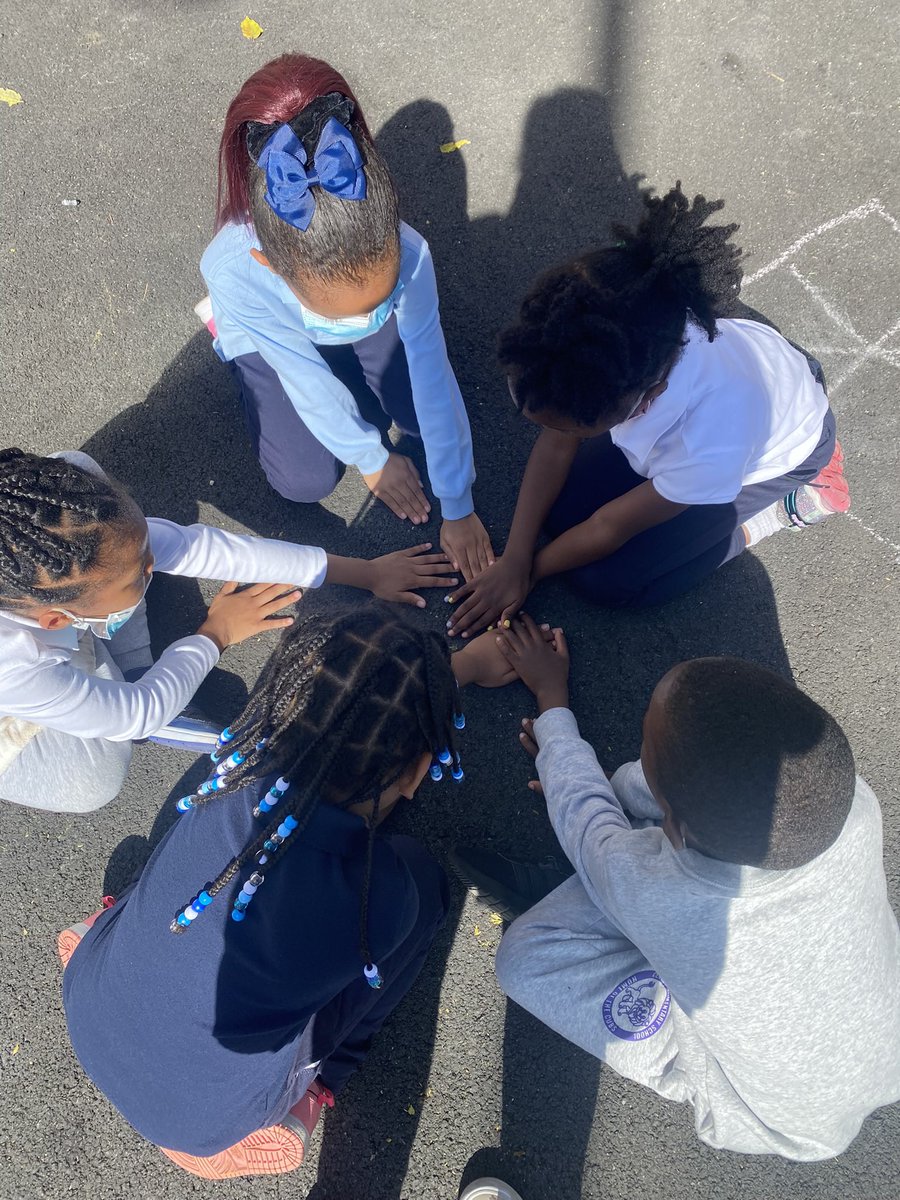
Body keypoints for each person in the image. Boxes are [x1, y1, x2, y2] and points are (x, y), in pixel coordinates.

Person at [61, 604, 525, 1180]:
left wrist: (460, 669)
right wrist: (459, 672)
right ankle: (316, 1088)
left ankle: (105, 939)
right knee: (426, 886)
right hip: (199, 1126)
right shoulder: (388, 897)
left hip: (87, 1003)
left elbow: (349, 701)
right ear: (417, 773)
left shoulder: (233, 775)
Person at [453, 617, 900, 1160]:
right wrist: (626, 786)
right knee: (650, 811)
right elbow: (650, 792)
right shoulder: (854, 802)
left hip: (768, 1117)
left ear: (680, 829)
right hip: (883, 1052)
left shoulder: (660, 894)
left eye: (645, 736)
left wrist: (554, 711)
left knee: (523, 959)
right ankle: (626, 889)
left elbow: (589, 826)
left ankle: (654, 1004)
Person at [445, 184, 850, 636]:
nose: (558, 434)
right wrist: (515, 557)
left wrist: (529, 572)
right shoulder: (614, 345)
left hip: (788, 444)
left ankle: (777, 512)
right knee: (559, 514)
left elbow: (610, 526)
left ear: (647, 397)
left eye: (575, 428)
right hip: (743, 381)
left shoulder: (708, 442)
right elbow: (556, 445)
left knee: (608, 582)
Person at [0, 448, 458, 813]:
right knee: (94, 781)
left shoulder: (62, 534)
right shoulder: (19, 666)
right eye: (140, 573)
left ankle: (129, 659)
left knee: (80, 469)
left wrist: (366, 573)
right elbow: (134, 714)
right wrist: (214, 635)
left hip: (62, 623)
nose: (155, 565)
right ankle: (132, 669)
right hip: (17, 696)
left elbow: (201, 548)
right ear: (54, 619)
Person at [199, 52, 493, 581]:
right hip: (272, 330)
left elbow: (433, 374)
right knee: (304, 480)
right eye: (349, 309)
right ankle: (235, 334)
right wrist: (370, 457)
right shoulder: (234, 267)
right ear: (270, 264)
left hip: (323, 303)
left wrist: (458, 503)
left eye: (380, 298)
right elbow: (300, 372)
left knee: (418, 413)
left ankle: (357, 330)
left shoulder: (410, 253)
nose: (366, 312)